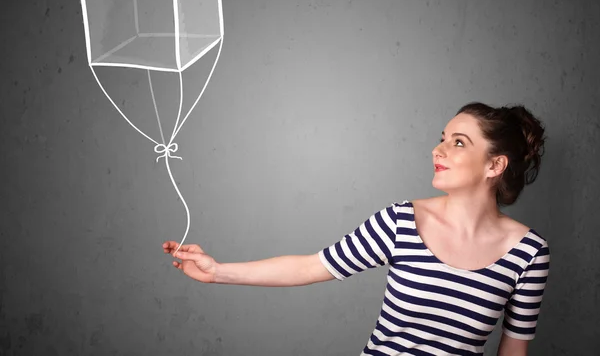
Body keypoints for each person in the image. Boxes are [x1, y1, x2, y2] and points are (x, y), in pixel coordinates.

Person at [163, 102, 550, 356]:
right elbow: (311, 267)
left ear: (494, 166)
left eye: (459, 142)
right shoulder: (401, 222)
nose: (438, 150)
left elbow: (513, 351)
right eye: (442, 138)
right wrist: (217, 272)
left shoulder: (529, 253)